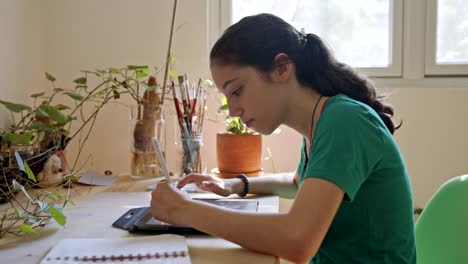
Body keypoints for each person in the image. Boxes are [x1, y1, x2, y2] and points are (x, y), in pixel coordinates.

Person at [150, 13, 416, 264]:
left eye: (237, 91)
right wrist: (234, 185)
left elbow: (297, 240)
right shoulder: (320, 122)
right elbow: (297, 181)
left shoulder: (345, 121)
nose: (233, 110)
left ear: (281, 68)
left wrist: (184, 211)